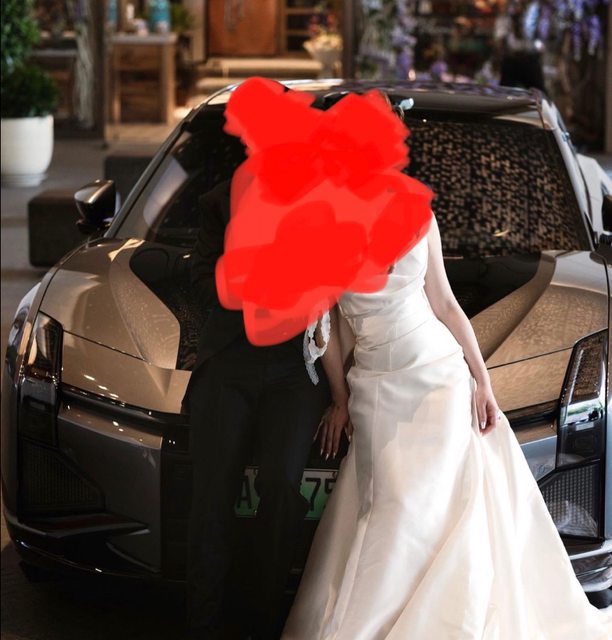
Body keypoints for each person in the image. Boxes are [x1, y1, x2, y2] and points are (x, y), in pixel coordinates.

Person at [281, 215, 612, 638]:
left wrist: (483, 381)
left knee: (446, 502)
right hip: (378, 389)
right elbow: (324, 328)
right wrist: (340, 399)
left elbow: (444, 303)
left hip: (441, 376)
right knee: (395, 504)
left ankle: (451, 616)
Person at [183, 177, 332, 639]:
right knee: (212, 492)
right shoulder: (219, 199)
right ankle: (203, 624)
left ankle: (261, 621)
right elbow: (201, 280)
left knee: (282, 484)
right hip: (231, 360)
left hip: (295, 368)